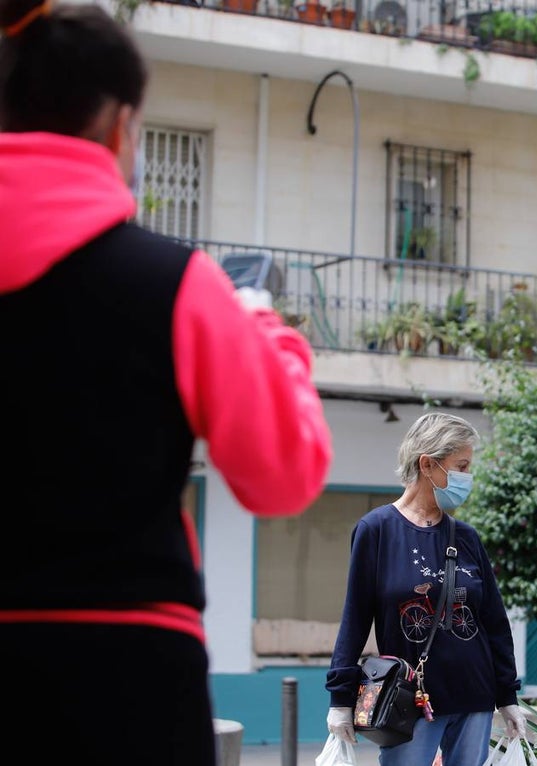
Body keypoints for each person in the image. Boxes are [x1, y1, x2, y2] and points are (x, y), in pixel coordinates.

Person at [0, 1, 333, 764]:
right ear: (121, 125)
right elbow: (282, 475)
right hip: (130, 674)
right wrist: (268, 334)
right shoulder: (178, 284)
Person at [326, 412, 526, 766]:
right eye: (461, 466)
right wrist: (340, 700)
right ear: (428, 465)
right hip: (409, 702)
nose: (467, 477)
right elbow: (355, 617)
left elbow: (494, 621)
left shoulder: (465, 537)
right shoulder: (376, 530)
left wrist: (507, 695)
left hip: (475, 697)